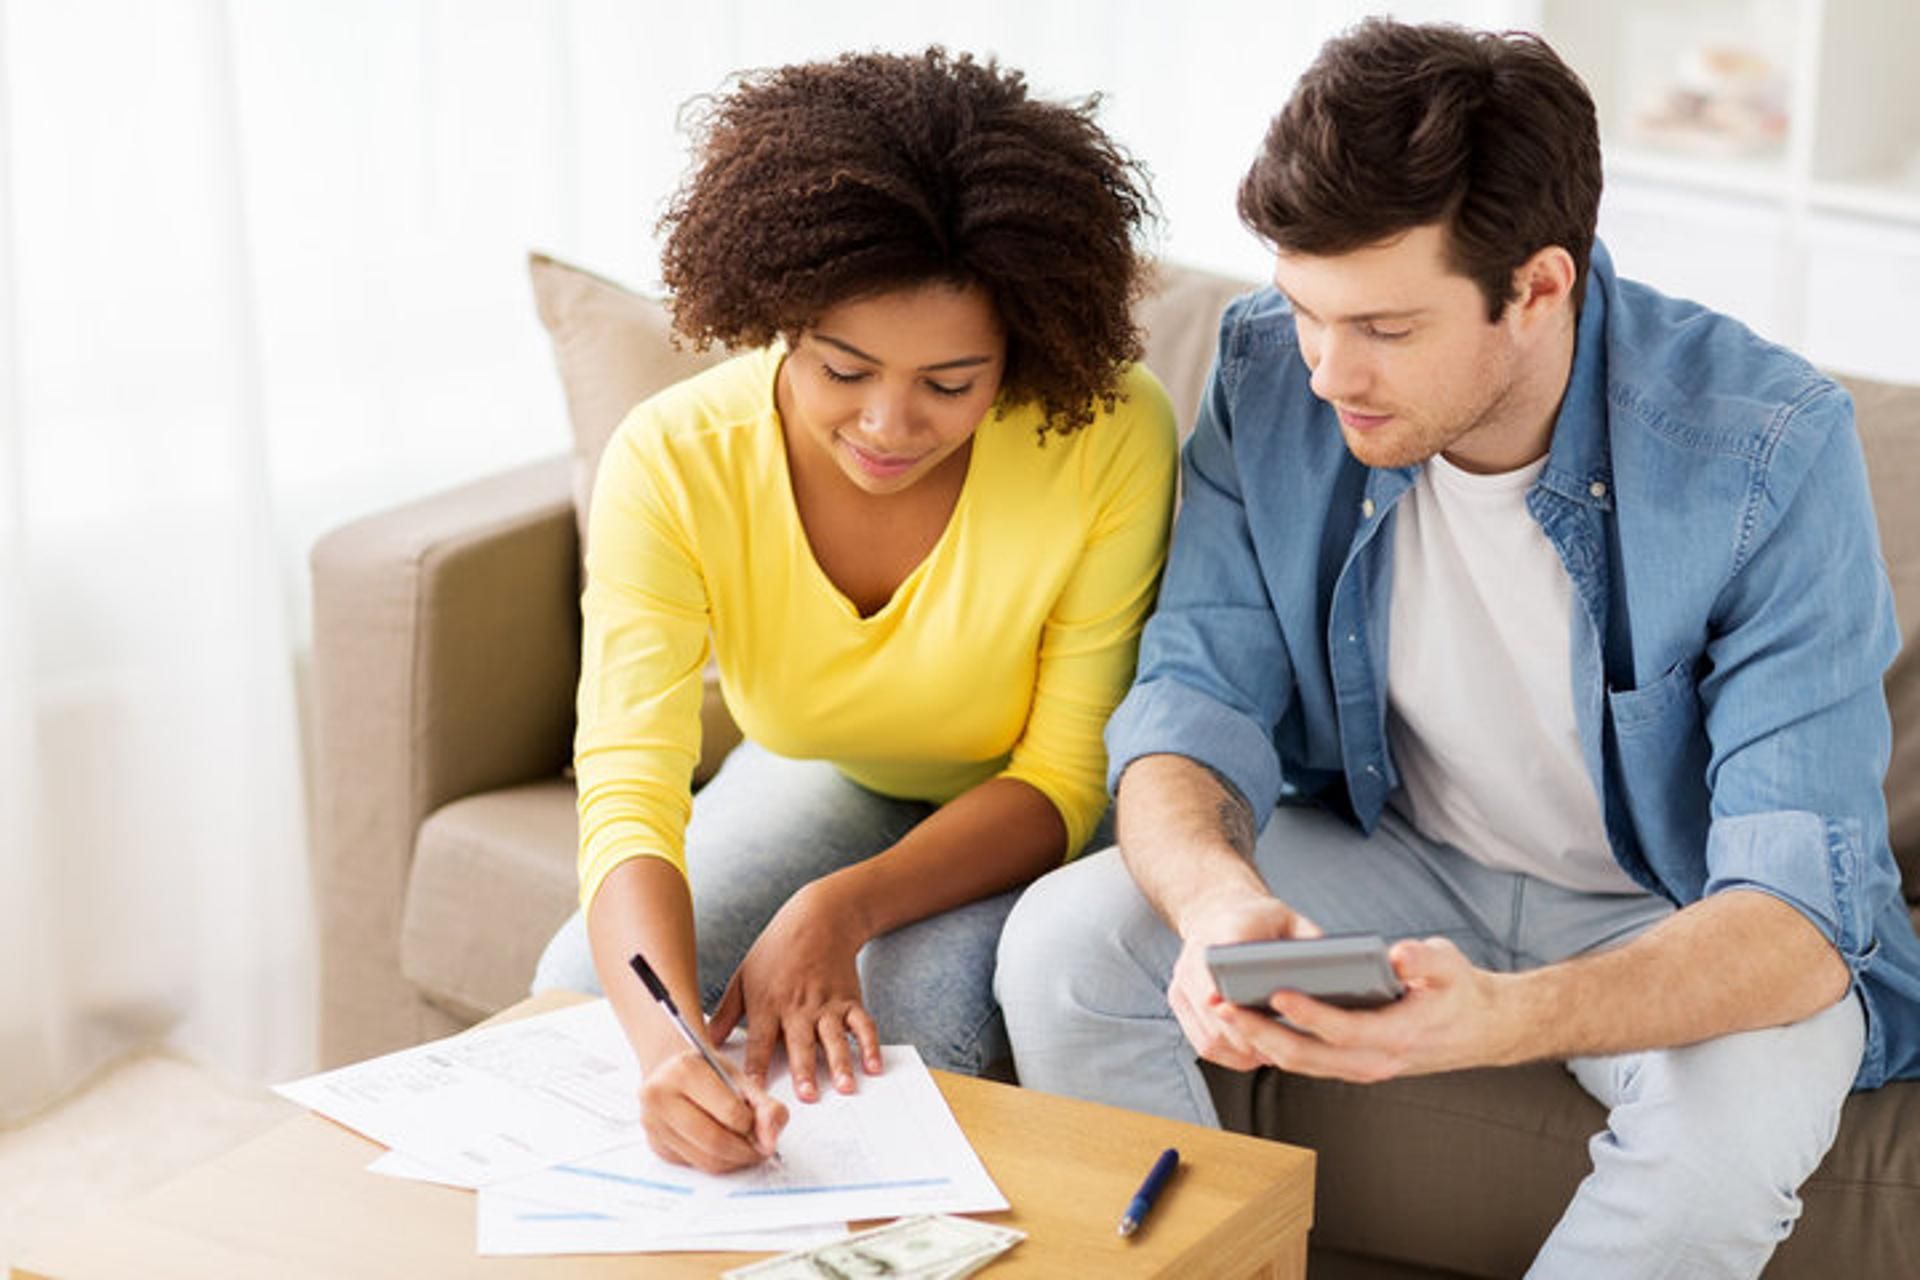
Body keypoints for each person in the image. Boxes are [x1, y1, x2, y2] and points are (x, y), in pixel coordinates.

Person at [994, 19, 1920, 1278]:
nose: (1326, 370)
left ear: (1540, 286)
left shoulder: (1766, 445)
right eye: (1306, 308)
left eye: (1383, 326)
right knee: (1067, 943)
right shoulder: (1268, 374)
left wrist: (1501, 1019)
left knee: (1723, 1137)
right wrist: (1219, 905)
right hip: (1407, 863)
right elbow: (1187, 706)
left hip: (1676, 909)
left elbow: (1801, 910)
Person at [531, 48, 1176, 1176]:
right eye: (843, 368)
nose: (888, 424)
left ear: (1017, 351)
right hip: (836, 774)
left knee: (907, 1019)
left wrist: (839, 907)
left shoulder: (1106, 433)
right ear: (778, 314)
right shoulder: (676, 460)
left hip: (1037, 812)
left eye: (950, 382)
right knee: (589, 1002)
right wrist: (668, 1047)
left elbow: (1067, 779)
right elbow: (629, 783)